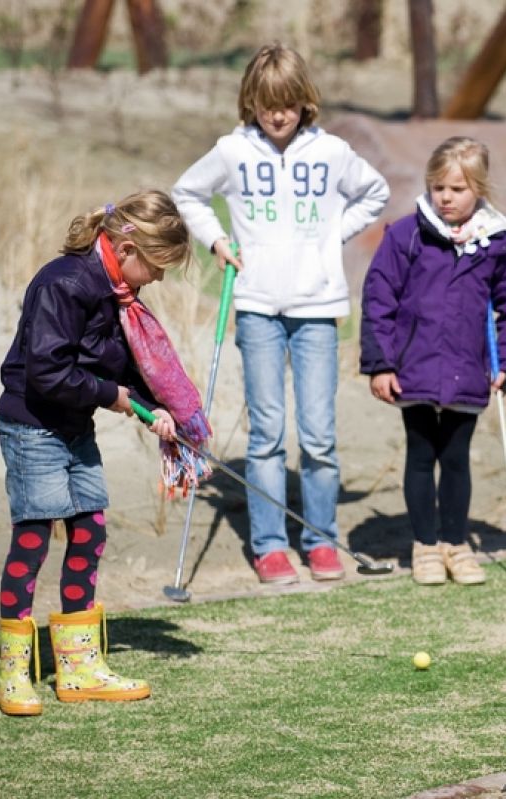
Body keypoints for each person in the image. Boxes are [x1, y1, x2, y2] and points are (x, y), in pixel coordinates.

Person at [172, 43, 389, 585]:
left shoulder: (332, 151)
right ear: (252, 100)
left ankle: (319, 540)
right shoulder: (232, 150)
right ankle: (270, 545)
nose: (278, 115)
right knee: (266, 434)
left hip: (318, 307)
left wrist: (330, 237)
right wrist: (218, 240)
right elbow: (187, 193)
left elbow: (375, 192)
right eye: (268, 104)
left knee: (318, 435)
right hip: (258, 306)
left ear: (304, 102)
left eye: (288, 104)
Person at [0, 190, 202, 717]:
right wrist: (114, 398)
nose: (156, 279)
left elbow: (120, 362)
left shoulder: (115, 291)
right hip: (33, 428)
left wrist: (159, 409)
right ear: (127, 246)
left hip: (73, 427)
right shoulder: (65, 283)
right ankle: (15, 671)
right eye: (155, 266)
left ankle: (79, 666)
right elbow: (46, 372)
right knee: (34, 539)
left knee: (90, 530)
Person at [359, 136, 506, 587]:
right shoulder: (406, 234)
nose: (446, 198)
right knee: (421, 454)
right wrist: (380, 364)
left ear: (479, 188)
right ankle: (426, 546)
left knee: (455, 457)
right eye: (438, 188)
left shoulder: (497, 243)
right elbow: (379, 299)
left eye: (457, 189)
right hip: (413, 367)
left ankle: (455, 544)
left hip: (466, 370)